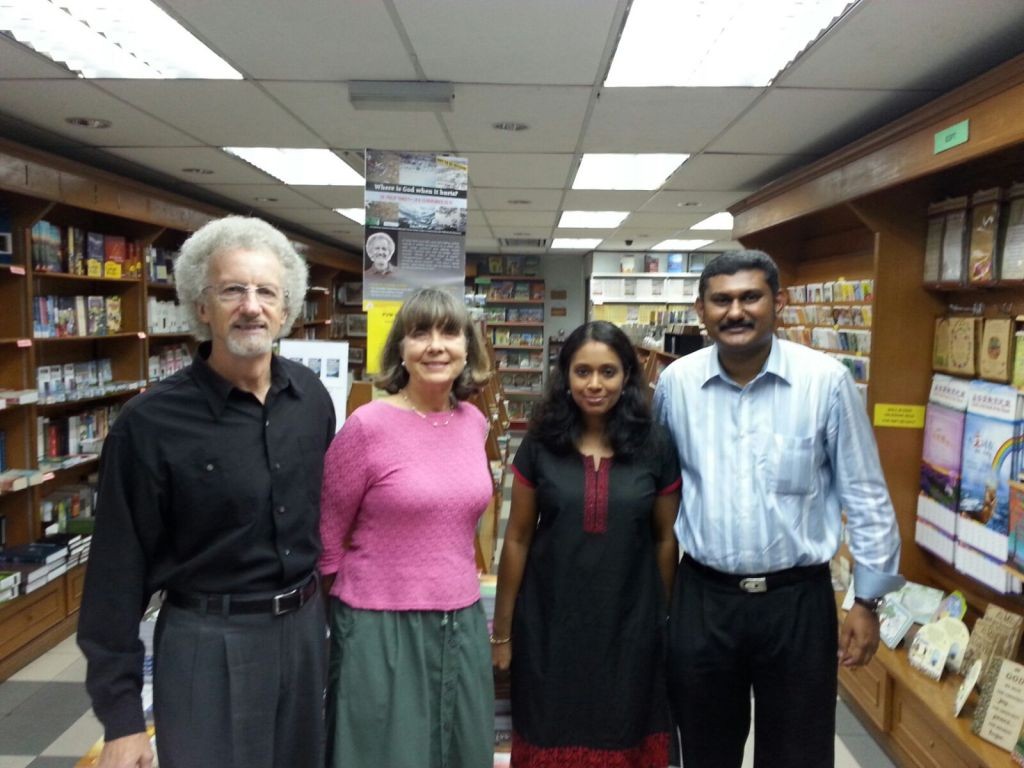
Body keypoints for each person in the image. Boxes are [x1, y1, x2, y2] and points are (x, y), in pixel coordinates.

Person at [78, 216, 336, 768]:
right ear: (201, 306)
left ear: (286, 309)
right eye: (232, 290)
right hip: (207, 641)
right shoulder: (149, 424)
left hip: (304, 632)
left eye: (266, 291)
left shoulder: (311, 399)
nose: (251, 306)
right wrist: (122, 720)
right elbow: (113, 577)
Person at [652, 250, 904, 768]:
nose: (736, 311)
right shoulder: (676, 384)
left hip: (797, 603)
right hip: (704, 599)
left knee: (799, 752)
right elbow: (656, 488)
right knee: (704, 748)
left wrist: (867, 601)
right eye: (721, 300)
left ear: (779, 303)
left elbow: (865, 492)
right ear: (702, 310)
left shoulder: (825, 382)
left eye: (751, 297)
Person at [492, 321, 681, 767]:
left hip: (629, 625)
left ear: (628, 377)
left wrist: (663, 620)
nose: (595, 384)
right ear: (565, 377)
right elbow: (517, 538)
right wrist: (503, 632)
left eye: (608, 372)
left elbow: (664, 539)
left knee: (626, 733)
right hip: (549, 625)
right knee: (548, 732)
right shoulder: (540, 443)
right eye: (582, 372)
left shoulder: (655, 444)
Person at [319, 287, 495, 768]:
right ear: (401, 348)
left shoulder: (474, 423)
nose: (435, 345)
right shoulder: (367, 426)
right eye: (420, 333)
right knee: (383, 755)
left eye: (449, 332)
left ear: (467, 348)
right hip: (380, 624)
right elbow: (328, 542)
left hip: (460, 618)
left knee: (460, 751)